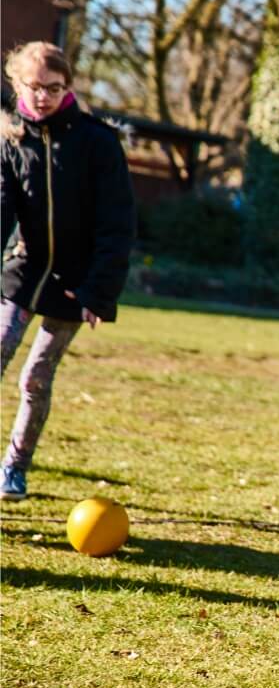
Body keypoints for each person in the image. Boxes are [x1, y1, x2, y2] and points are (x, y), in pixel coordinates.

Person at [0, 42, 135, 502]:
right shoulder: (11, 139)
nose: (43, 97)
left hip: (76, 285)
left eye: (53, 88)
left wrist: (99, 291)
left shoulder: (97, 141)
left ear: (68, 87)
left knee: (36, 375)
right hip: (23, 271)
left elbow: (118, 223)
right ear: (17, 84)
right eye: (34, 87)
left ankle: (15, 467)